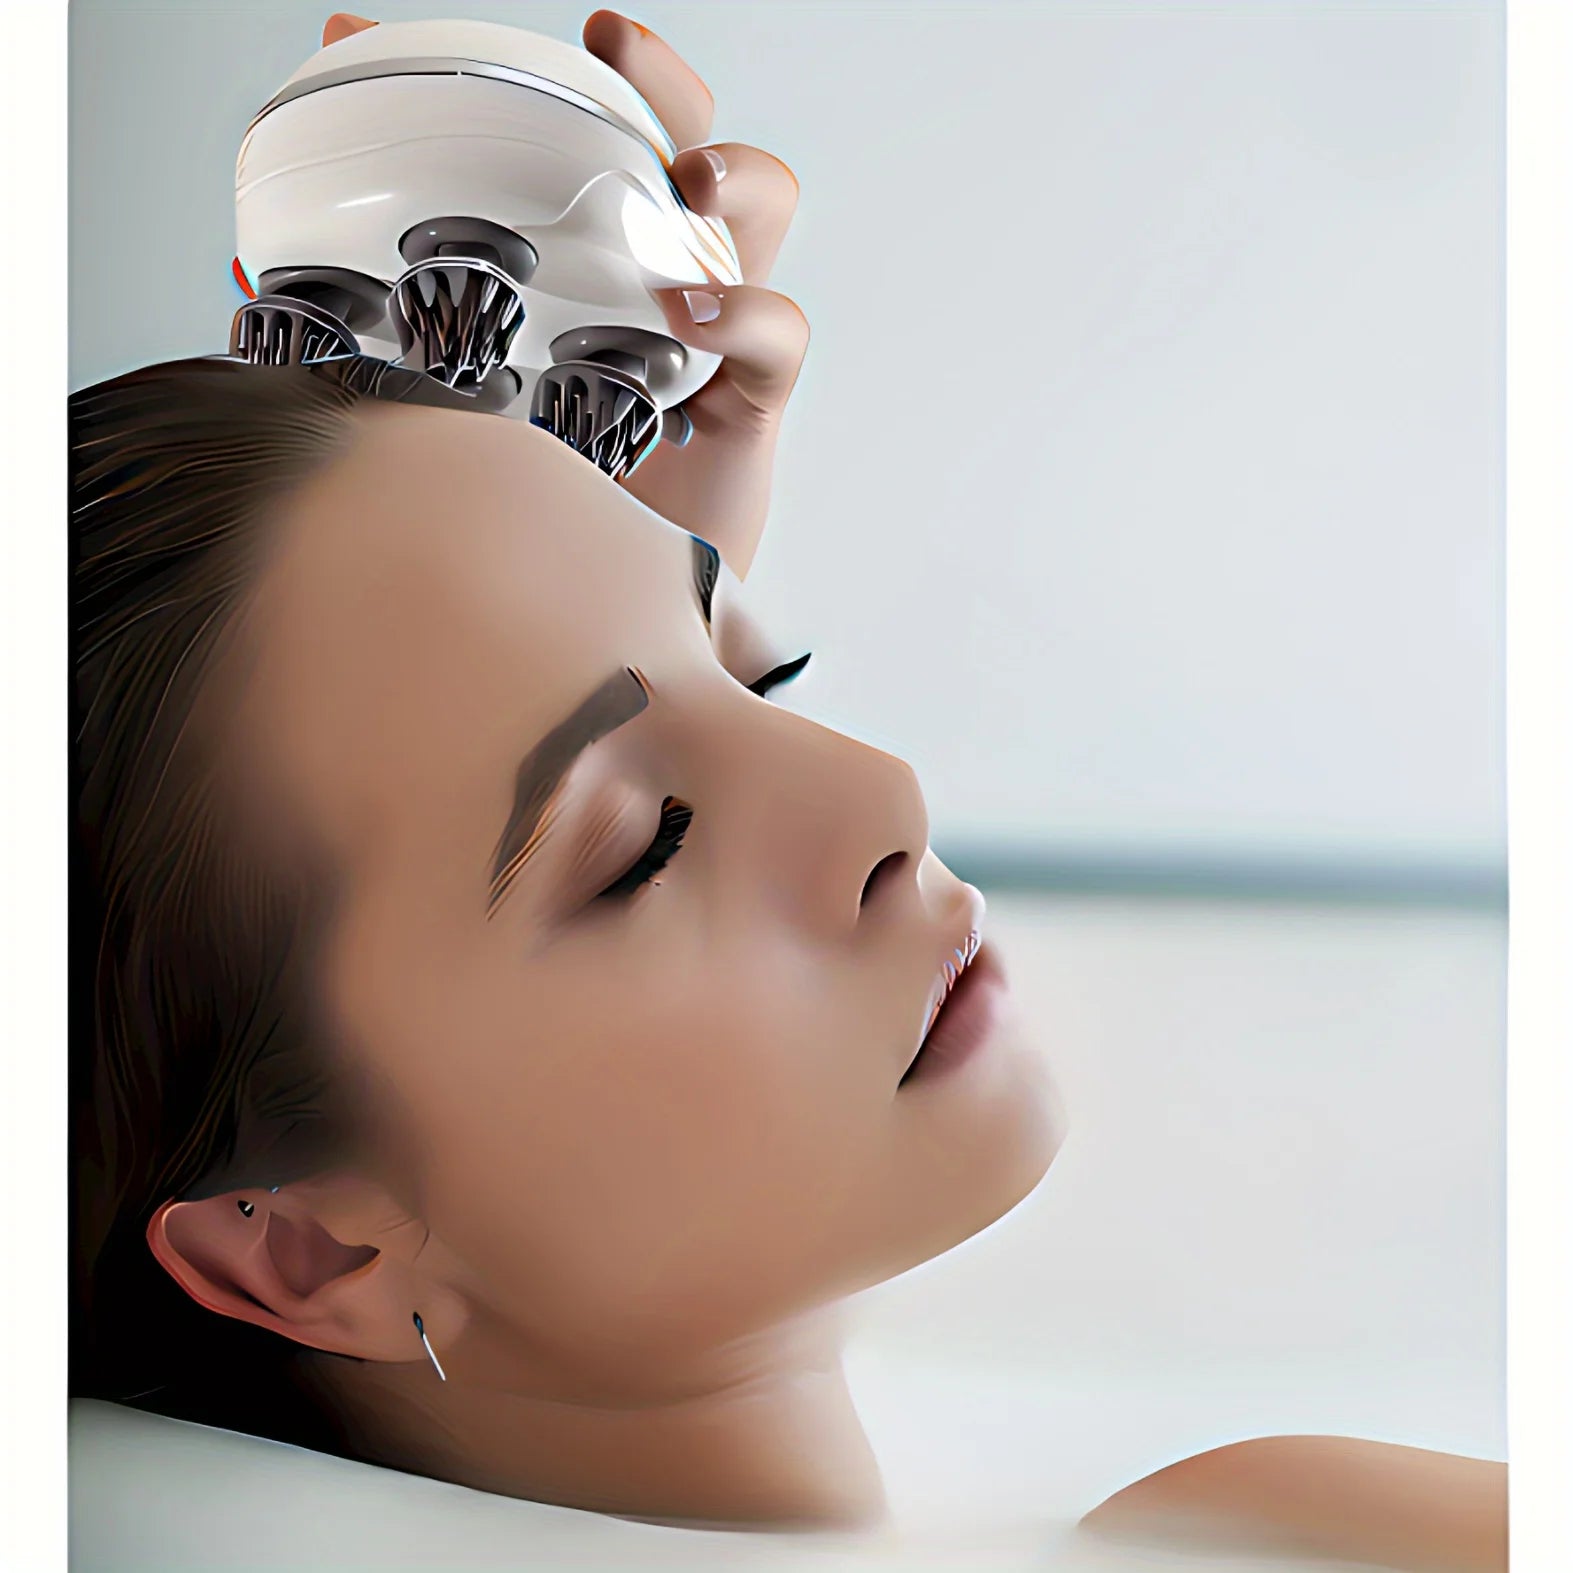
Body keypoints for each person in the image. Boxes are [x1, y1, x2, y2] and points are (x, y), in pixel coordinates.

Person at [69, 10, 1506, 1565]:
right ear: (301, 1247)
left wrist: (584, 585)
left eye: (763, 671)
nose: (888, 796)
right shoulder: (1271, 1531)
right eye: (640, 853)